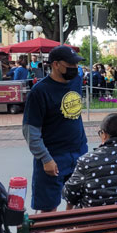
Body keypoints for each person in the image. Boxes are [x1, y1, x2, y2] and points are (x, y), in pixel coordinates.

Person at [22, 46, 88, 212]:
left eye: (76, 65)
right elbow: (30, 131)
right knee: (48, 209)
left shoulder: (76, 80)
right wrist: (45, 158)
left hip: (78, 153)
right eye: (70, 65)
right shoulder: (39, 92)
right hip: (53, 157)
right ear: (56, 65)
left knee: (78, 203)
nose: (75, 68)